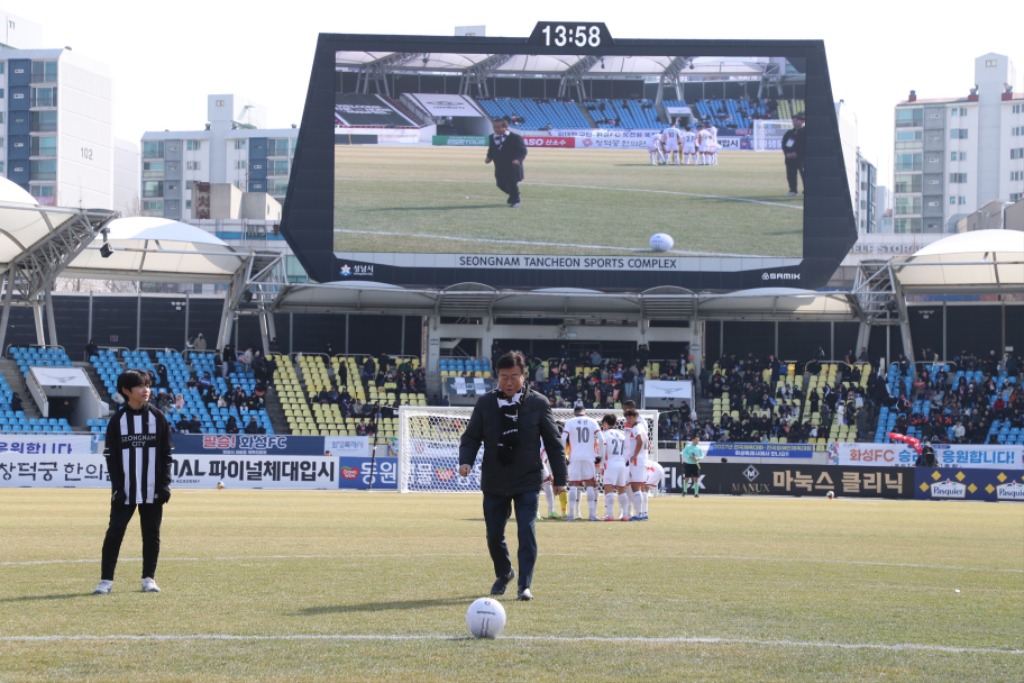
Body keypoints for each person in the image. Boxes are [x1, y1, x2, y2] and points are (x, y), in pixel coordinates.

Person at [459, 351, 566, 601]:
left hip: (527, 478)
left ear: (523, 376)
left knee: (526, 531)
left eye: (514, 377)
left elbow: (553, 442)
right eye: (504, 377)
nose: (508, 382)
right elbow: (472, 436)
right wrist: (466, 461)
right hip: (495, 479)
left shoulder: (538, 403)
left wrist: (560, 478)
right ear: (497, 377)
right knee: (494, 535)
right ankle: (505, 572)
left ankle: (524, 585)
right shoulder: (485, 403)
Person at [93, 369, 174, 595]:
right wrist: (118, 487)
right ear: (126, 391)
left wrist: (165, 484)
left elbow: (166, 455)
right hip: (125, 491)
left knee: (151, 535)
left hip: (152, 490)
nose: (146, 389)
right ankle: (106, 581)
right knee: (114, 533)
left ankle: (149, 578)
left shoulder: (158, 417)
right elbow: (112, 457)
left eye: (147, 385)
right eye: (140, 386)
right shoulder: (117, 421)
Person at [562, 402, 602, 521]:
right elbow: (601, 438)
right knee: (590, 484)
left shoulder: (569, 422)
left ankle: (571, 515)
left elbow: (563, 438)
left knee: (573, 485)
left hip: (574, 457)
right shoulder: (593, 421)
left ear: (575, 413)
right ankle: (592, 515)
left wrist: (564, 455)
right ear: (585, 412)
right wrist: (600, 455)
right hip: (589, 457)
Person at [485, 117, 527, 208]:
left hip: (512, 166)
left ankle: (515, 201)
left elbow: (522, 151)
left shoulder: (515, 137)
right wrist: (489, 157)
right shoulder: (492, 137)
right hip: (499, 166)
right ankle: (514, 194)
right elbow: (492, 149)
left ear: (505, 127)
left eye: (498, 127)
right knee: (500, 184)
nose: (496, 129)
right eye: (494, 127)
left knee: (512, 183)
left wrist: (518, 159)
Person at [598, 413, 630, 521]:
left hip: (610, 464)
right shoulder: (622, 434)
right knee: (622, 489)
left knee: (609, 488)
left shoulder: (604, 435)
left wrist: (601, 466)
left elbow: (603, 452)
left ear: (605, 423)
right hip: (621, 464)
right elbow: (627, 451)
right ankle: (625, 515)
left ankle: (610, 515)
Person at [623, 408, 649, 520]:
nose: (629, 420)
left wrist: (634, 455)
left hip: (637, 461)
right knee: (641, 487)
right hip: (643, 460)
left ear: (635, 417)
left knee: (635, 487)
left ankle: (639, 514)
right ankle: (643, 513)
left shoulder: (636, 428)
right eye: (627, 418)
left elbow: (640, 441)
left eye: (630, 418)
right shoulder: (642, 427)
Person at [781, 112, 806, 196]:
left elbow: (804, 145)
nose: (794, 121)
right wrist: (787, 153)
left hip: (802, 158)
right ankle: (792, 190)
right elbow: (784, 144)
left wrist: (797, 153)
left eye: (796, 120)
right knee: (791, 173)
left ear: (802, 121)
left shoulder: (805, 131)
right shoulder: (789, 132)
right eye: (794, 120)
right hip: (790, 158)